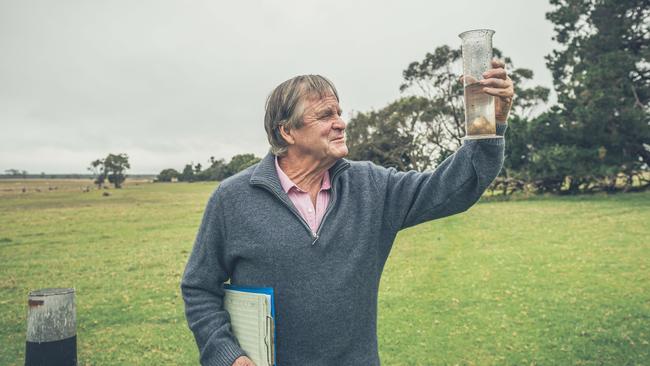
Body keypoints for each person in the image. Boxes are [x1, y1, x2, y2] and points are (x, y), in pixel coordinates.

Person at [181, 61, 514, 366]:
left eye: (339, 112)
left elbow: (452, 189)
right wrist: (229, 356)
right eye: (326, 115)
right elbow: (199, 287)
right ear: (287, 131)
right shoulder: (233, 199)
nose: (341, 123)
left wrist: (489, 124)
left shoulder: (371, 185)